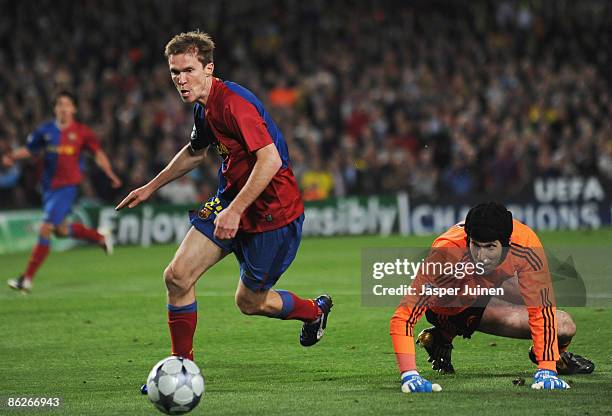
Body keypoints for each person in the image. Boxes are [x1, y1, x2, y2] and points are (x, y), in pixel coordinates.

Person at [116, 31, 332, 372]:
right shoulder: (204, 109)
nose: (181, 80)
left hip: (272, 214)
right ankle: (181, 369)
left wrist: (236, 210)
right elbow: (194, 153)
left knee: (249, 302)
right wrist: (151, 186)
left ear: (208, 68)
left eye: (188, 70)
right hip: (230, 200)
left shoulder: (234, 104)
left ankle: (314, 311)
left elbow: (270, 160)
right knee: (177, 277)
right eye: (175, 72)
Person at [390, 202, 594, 393]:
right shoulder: (446, 253)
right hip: (453, 301)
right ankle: (446, 331)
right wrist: (409, 374)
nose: (482, 255)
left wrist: (546, 369)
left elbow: (541, 309)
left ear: (507, 243)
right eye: (476, 245)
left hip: (489, 285)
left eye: (490, 247)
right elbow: (404, 315)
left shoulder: (526, 245)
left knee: (564, 325)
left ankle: (550, 356)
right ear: (467, 239)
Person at [3, 91, 122, 293]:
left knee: (46, 228)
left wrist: (110, 173)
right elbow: (31, 149)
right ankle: (99, 237)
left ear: (74, 109)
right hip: (49, 189)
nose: (63, 108)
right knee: (61, 231)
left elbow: (98, 154)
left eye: (67, 104)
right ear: (55, 108)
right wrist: (13, 157)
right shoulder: (45, 131)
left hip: (67, 188)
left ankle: (26, 279)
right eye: (59, 104)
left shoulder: (82, 132)